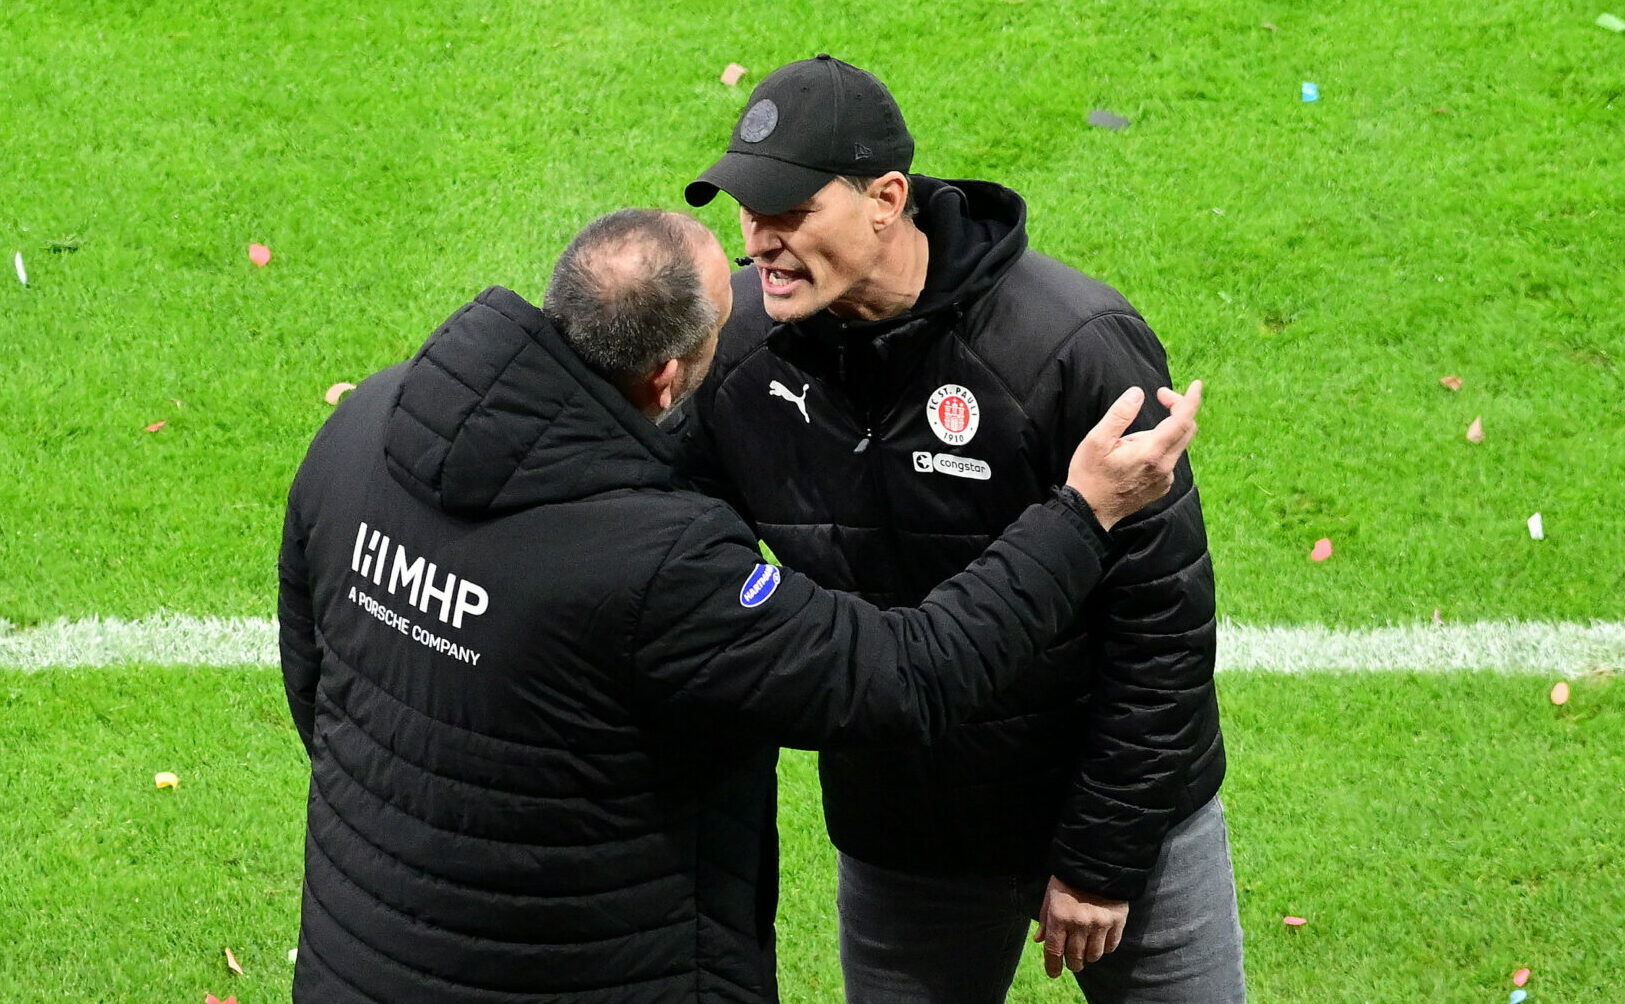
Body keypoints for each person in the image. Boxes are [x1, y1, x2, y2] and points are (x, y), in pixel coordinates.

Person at [277, 208, 1201, 1002]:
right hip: (585, 967)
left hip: (361, 956)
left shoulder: (368, 422)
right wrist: (1083, 515)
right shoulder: (656, 562)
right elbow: (900, 675)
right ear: (667, 383)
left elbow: (313, 672)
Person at [681, 56, 1243, 1002]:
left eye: (790, 212)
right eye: (746, 210)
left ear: (885, 199)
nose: (761, 242)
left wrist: (1102, 858)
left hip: (1121, 826)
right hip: (907, 842)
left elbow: (1162, 625)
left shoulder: (1069, 347)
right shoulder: (733, 351)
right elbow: (664, 551)